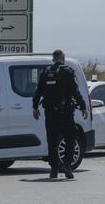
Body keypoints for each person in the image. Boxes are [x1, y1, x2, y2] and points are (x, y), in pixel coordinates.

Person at [33, 50, 88, 179]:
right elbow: (75, 92)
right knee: (69, 138)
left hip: (50, 113)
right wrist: (83, 107)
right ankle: (67, 165)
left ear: (53, 59)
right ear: (63, 59)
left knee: (52, 140)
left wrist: (35, 108)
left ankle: (54, 169)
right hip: (66, 113)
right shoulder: (68, 72)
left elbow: (38, 91)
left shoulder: (46, 72)